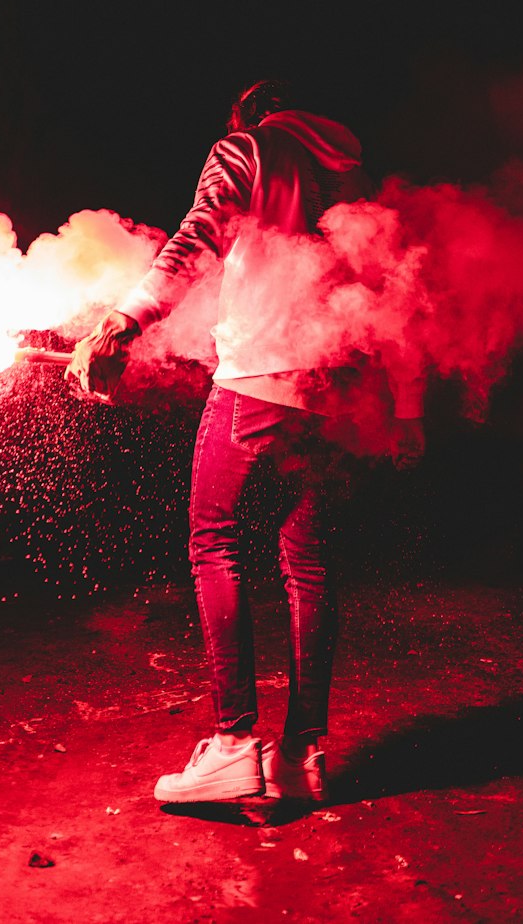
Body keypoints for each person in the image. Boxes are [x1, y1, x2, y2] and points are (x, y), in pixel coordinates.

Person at [66, 77, 425, 806]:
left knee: (215, 544)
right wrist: (410, 403)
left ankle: (233, 743)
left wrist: (121, 323)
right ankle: (302, 756)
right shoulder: (357, 175)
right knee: (310, 565)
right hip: (335, 391)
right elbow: (395, 290)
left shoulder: (247, 148)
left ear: (252, 114)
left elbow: (196, 241)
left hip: (258, 379)